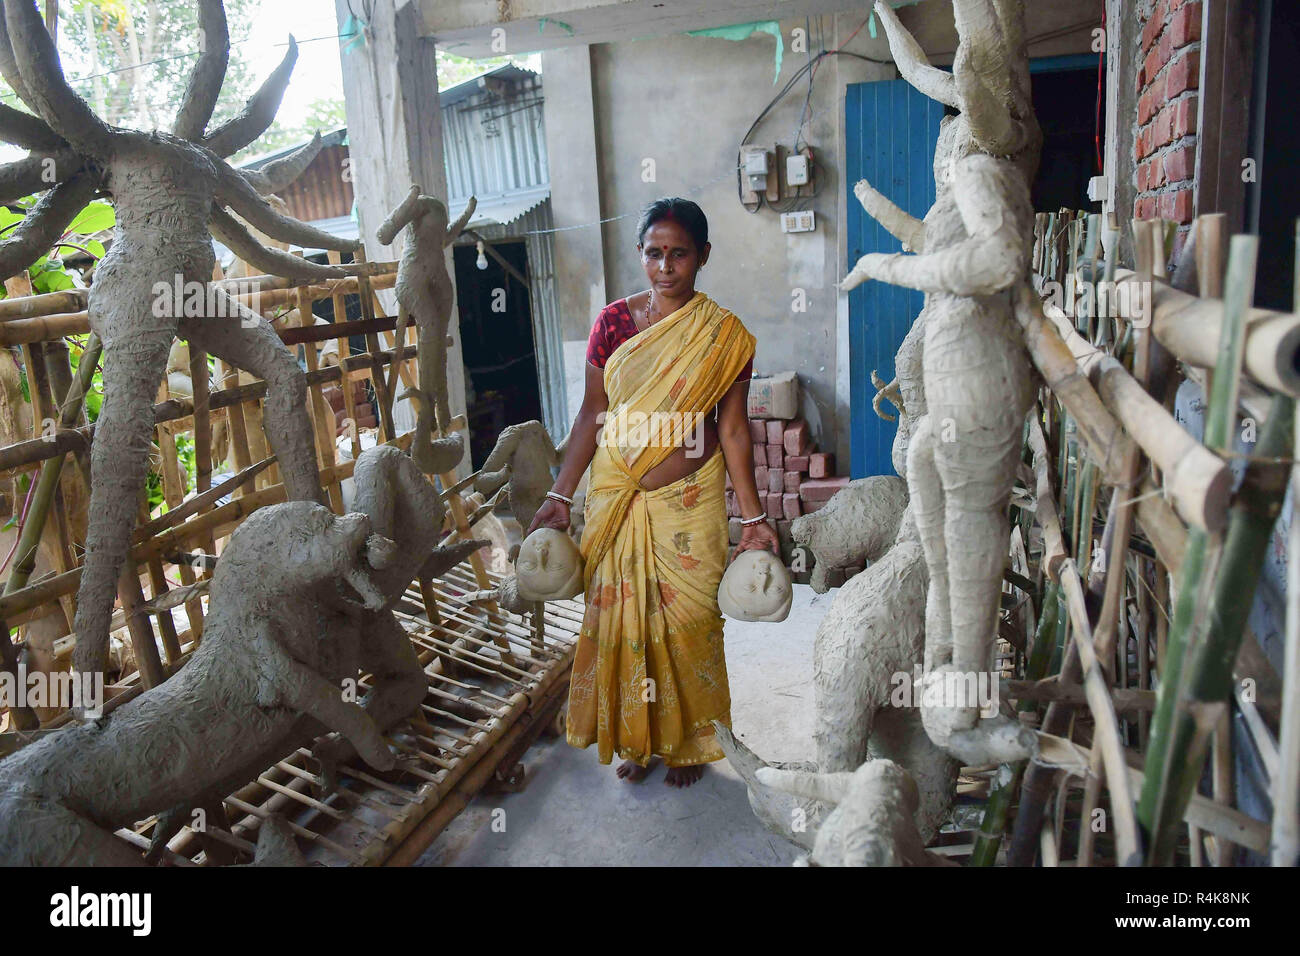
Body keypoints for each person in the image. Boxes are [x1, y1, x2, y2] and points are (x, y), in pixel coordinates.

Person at [527, 197, 778, 788]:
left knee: (690, 620)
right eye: (653, 254)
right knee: (623, 623)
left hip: (688, 501)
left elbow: (734, 430)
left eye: (679, 254)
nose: (665, 267)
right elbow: (592, 414)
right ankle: (638, 739)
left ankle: (690, 744)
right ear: (641, 255)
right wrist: (561, 495)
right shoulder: (614, 323)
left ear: (703, 257)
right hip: (617, 495)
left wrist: (754, 517)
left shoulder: (724, 336)